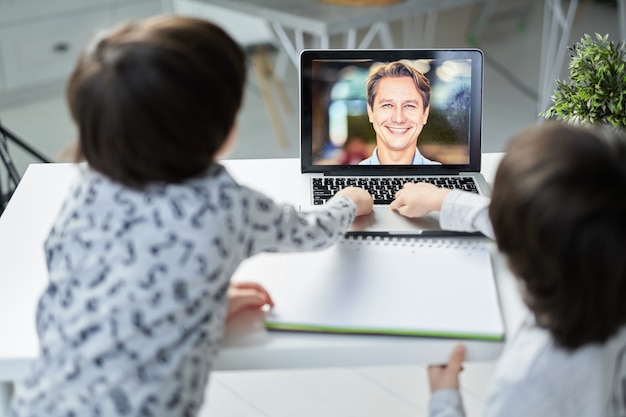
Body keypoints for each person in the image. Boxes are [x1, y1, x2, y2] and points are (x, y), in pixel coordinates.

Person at [9, 15, 373, 417]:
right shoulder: (224, 206)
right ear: (226, 128)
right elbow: (312, 232)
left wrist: (195, 299)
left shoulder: (87, 188)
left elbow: (91, 282)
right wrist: (348, 203)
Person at [391, 121, 626, 416]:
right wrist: (445, 199)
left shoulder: (530, 379)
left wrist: (444, 398)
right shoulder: (607, 259)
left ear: (518, 255)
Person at [359, 60, 440, 165]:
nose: (399, 119)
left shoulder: (441, 178)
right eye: (387, 105)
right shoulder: (350, 179)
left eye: (409, 106)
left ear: (425, 113)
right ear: (371, 112)